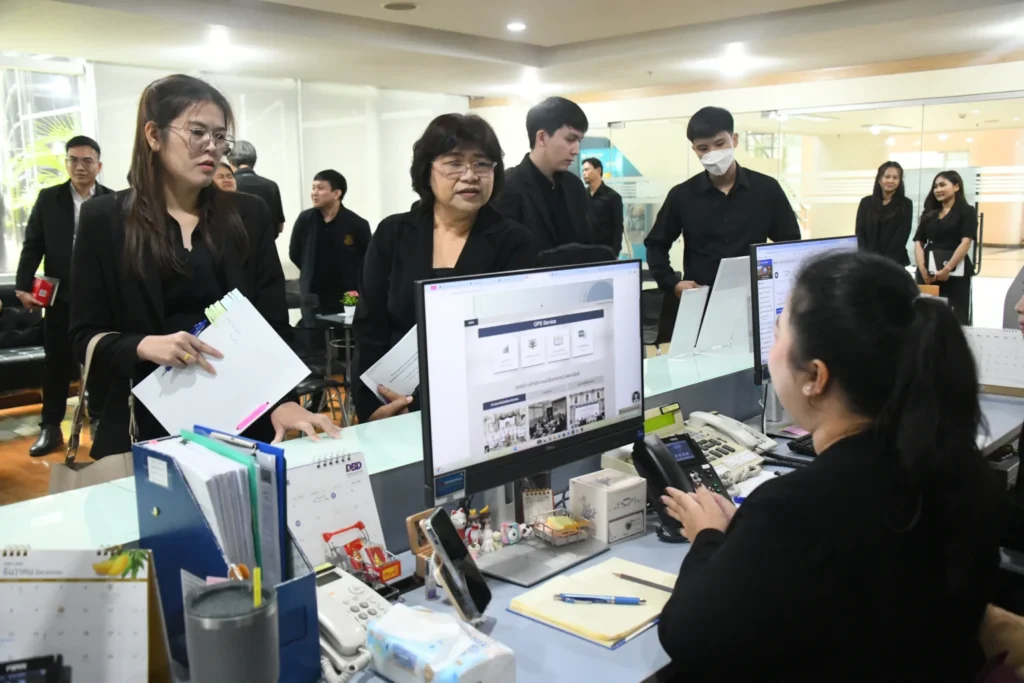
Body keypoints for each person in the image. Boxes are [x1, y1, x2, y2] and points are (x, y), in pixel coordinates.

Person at [657, 251, 1001, 681]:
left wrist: (708, 537)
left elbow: (689, 638)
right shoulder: (955, 463)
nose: (771, 351)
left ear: (815, 377)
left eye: (778, 334)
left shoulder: (798, 509)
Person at [70, 74, 338, 458]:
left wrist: (282, 400)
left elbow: (272, 324)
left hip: (242, 415)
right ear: (154, 135)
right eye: (197, 133)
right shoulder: (105, 219)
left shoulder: (248, 215)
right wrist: (144, 345)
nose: (212, 147)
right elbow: (84, 336)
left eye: (220, 136)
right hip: (144, 419)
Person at [353, 113, 535, 423]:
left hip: (481, 408)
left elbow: (514, 339)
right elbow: (369, 329)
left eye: (482, 164)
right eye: (454, 163)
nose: (470, 175)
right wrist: (372, 408)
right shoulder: (393, 234)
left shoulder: (514, 242)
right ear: (427, 171)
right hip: (394, 405)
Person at [15, 135, 113, 456]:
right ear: (66, 163)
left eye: (87, 161)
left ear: (98, 165)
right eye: (73, 160)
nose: (80, 166)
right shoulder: (49, 199)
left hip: (100, 296)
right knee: (56, 362)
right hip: (60, 296)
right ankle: (51, 427)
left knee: (99, 360)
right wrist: (23, 286)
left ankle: (99, 422)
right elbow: (33, 244)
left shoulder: (113, 200)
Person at [645, 106, 801, 296]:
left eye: (720, 144)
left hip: (753, 296)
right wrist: (672, 283)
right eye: (703, 148)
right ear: (694, 150)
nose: (713, 153)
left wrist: (776, 283)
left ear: (734, 139)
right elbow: (656, 244)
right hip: (701, 297)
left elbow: (789, 244)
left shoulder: (767, 189)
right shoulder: (682, 195)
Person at [498, 97, 596, 255]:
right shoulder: (507, 188)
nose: (576, 150)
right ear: (542, 138)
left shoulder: (574, 185)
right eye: (570, 139)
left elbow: (586, 244)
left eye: (579, 141)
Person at [288, 170, 370, 314]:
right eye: (313, 188)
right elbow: (295, 253)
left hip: (347, 296)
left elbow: (367, 260)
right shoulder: (305, 220)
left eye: (320, 188)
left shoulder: (357, 224)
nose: (314, 193)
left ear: (336, 193)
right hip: (312, 295)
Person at [913, 170, 977, 325]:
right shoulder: (930, 213)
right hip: (928, 273)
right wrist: (922, 267)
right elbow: (919, 242)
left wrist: (948, 268)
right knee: (926, 317)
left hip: (956, 272)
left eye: (942, 185)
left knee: (956, 318)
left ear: (956, 187)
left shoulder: (967, 211)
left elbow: (965, 242)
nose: (938, 190)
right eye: (935, 186)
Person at [855, 161, 913, 266]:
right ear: (879, 179)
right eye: (887, 176)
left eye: (895, 178)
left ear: (900, 181)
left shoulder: (906, 204)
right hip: (868, 261)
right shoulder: (866, 202)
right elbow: (860, 233)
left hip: (894, 262)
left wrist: (885, 263)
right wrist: (866, 258)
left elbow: (902, 236)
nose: (890, 180)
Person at [228, 140, 286, 236]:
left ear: (231, 161)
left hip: (235, 244)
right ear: (254, 160)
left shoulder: (227, 186)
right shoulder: (271, 185)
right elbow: (280, 227)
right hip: (267, 244)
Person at [581, 157, 624, 255]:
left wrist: (615, 252)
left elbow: (618, 227)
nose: (584, 173)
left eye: (587, 169)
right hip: (585, 249)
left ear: (598, 170)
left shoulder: (613, 196)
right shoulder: (581, 195)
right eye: (583, 170)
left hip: (605, 250)